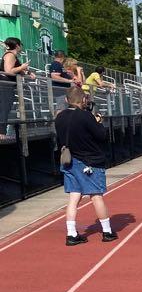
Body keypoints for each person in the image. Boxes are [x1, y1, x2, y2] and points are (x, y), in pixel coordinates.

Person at [55, 85, 117, 246]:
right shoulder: (86, 116)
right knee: (96, 196)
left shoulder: (59, 117)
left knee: (74, 196)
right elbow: (101, 136)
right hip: (89, 162)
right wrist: (98, 122)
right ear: (84, 99)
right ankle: (107, 231)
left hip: (69, 161)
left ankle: (71, 233)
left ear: (67, 100)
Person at [1, 37, 36, 135]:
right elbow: (8, 71)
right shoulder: (10, 55)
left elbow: (18, 70)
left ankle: (2, 132)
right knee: (4, 108)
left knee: (5, 108)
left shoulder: (13, 56)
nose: (21, 47)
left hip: (8, 84)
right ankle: (1, 133)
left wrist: (28, 72)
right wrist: (22, 67)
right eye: (21, 45)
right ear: (17, 46)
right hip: (5, 84)